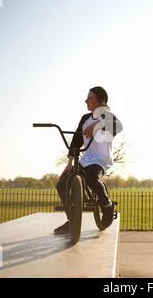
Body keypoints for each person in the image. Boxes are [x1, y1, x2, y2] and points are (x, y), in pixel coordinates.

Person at [54, 86, 123, 234]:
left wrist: (98, 125)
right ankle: (72, 220)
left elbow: (118, 127)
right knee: (61, 184)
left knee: (92, 178)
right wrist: (70, 162)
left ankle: (107, 206)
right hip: (85, 159)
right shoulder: (85, 119)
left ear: (101, 101)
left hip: (101, 159)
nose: (86, 101)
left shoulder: (107, 116)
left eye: (90, 98)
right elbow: (76, 140)